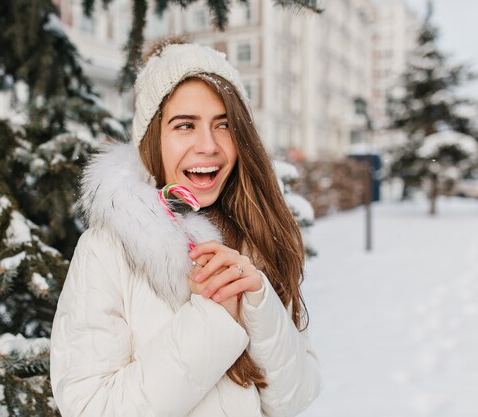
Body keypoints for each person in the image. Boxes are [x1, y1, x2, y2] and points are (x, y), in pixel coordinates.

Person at [50, 37, 322, 417]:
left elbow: (295, 396)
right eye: (184, 126)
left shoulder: (257, 236)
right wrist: (212, 317)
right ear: (152, 140)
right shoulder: (106, 250)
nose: (208, 145)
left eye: (223, 125)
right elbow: (92, 407)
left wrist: (258, 302)